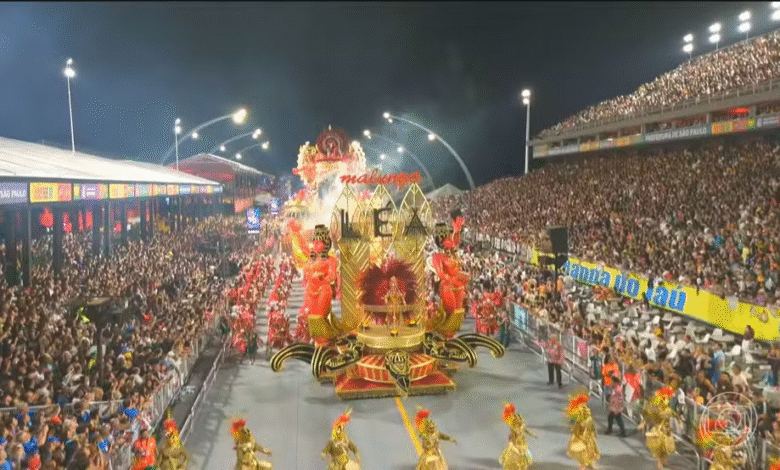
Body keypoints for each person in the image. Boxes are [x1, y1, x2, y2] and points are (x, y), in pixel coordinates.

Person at [499, 403, 534, 470]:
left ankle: (526, 459)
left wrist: (520, 430)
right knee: (514, 448)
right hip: (515, 437)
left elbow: (521, 427)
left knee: (521, 449)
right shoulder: (512, 418)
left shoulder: (515, 418)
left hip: (518, 438)